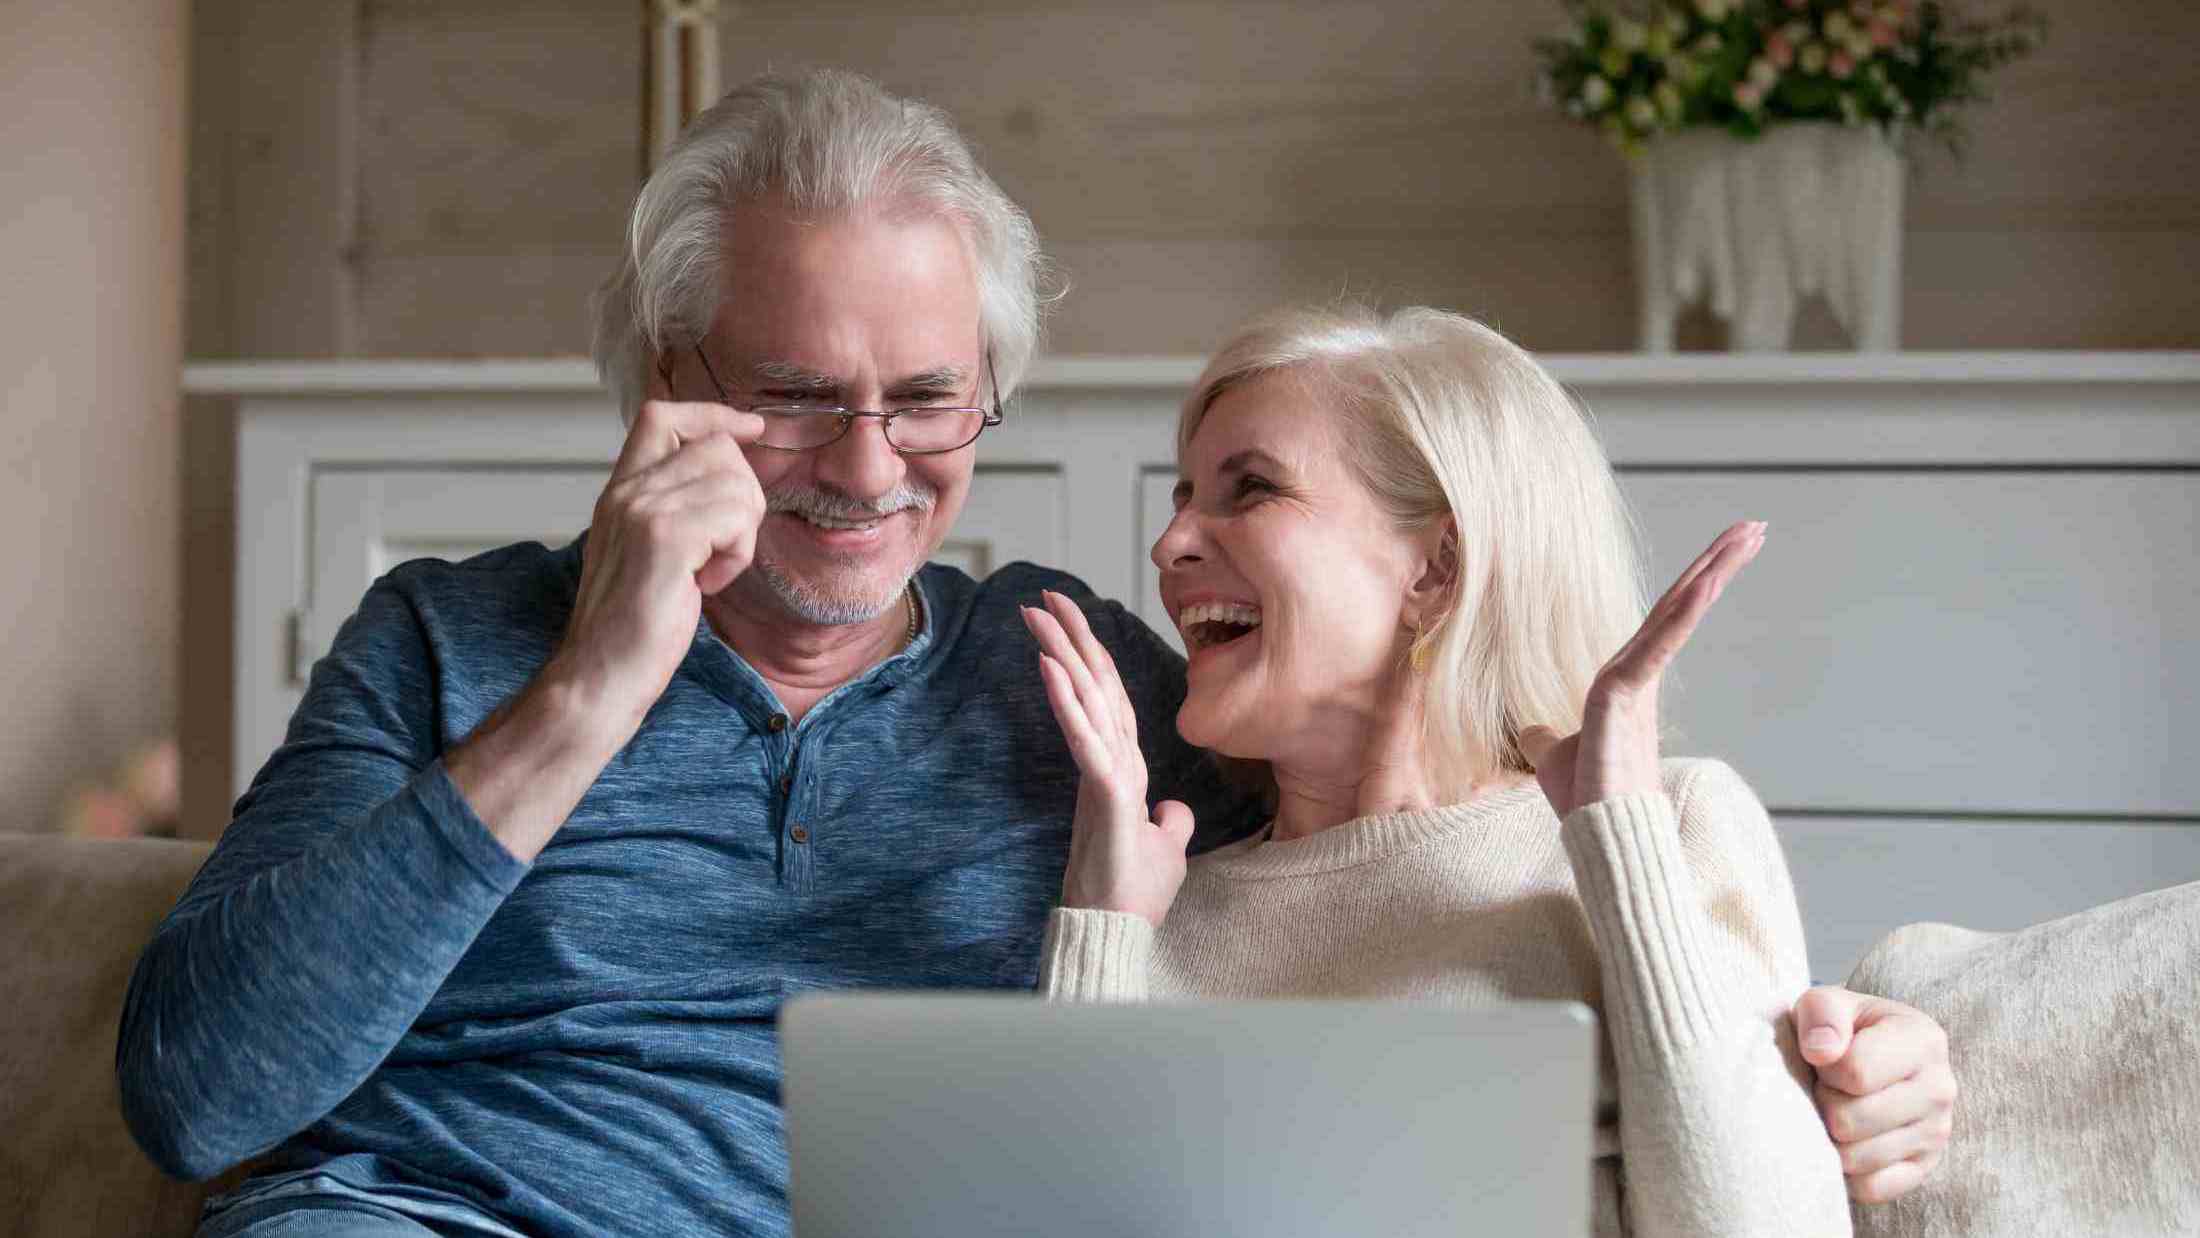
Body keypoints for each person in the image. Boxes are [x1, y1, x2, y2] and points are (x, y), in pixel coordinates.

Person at [116, 70, 1950, 1237]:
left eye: (926, 401)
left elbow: (1399, 846)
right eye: (792, 399)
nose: (862, 468)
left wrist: (1869, 1051)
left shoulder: (1095, 691)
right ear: (667, 390)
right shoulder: (448, 637)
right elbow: (200, 1092)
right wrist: (592, 686)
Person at [1025, 305, 1953, 1235]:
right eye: (1184, 496)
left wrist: (1621, 844)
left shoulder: (1668, 823)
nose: (1171, 544)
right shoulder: (1159, 905)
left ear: (1436, 568)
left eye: (1250, 490)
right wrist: (1101, 932)